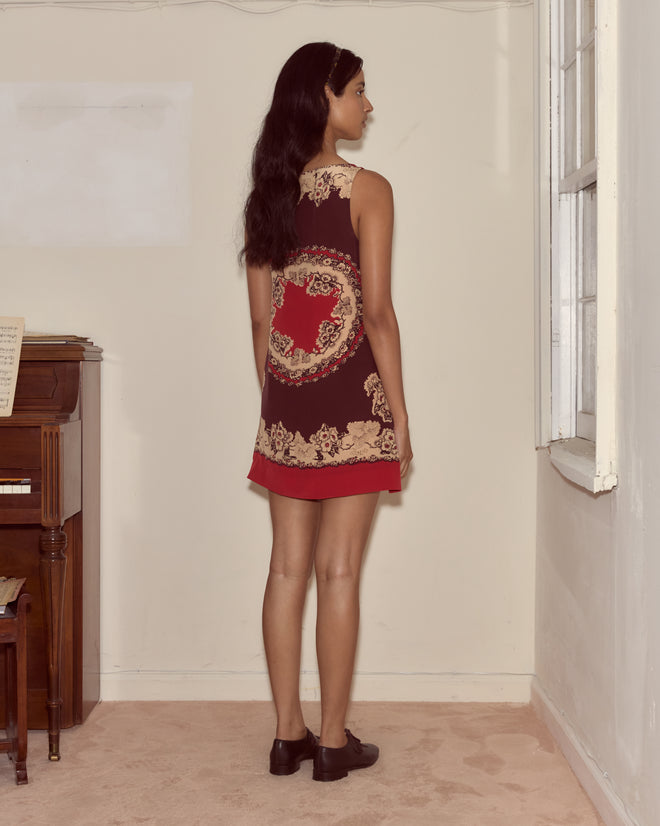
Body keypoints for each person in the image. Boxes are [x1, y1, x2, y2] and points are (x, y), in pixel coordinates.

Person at [242, 41, 412, 782]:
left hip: (288, 403)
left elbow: (260, 324)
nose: (368, 105)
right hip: (354, 407)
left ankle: (288, 738)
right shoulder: (368, 188)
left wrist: (279, 402)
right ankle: (335, 744)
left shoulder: (267, 193)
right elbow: (376, 313)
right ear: (324, 98)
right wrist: (399, 421)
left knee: (286, 570)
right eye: (360, 91)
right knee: (338, 573)